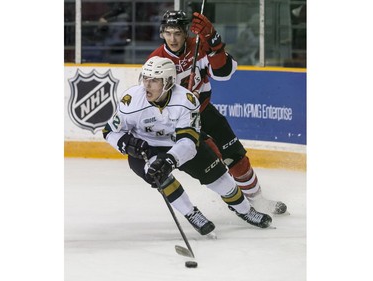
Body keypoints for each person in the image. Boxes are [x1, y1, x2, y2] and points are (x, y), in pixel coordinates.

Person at [102, 56, 272, 236]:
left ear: (168, 82)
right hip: (147, 148)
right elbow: (109, 131)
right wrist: (126, 144)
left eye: (154, 80)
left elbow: (189, 143)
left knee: (220, 178)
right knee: (160, 177)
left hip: (180, 145)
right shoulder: (131, 101)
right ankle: (192, 214)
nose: (147, 85)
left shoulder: (186, 100)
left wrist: (170, 160)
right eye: (145, 78)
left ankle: (246, 210)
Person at [148, 10, 287, 215]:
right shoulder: (156, 60)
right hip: (180, 122)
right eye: (168, 33)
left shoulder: (199, 46)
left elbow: (225, 73)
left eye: (177, 33)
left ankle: (258, 201)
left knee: (237, 158)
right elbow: (151, 96)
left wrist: (214, 43)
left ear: (185, 32)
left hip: (205, 112)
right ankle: (240, 205)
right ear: (162, 34)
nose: (173, 38)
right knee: (214, 162)